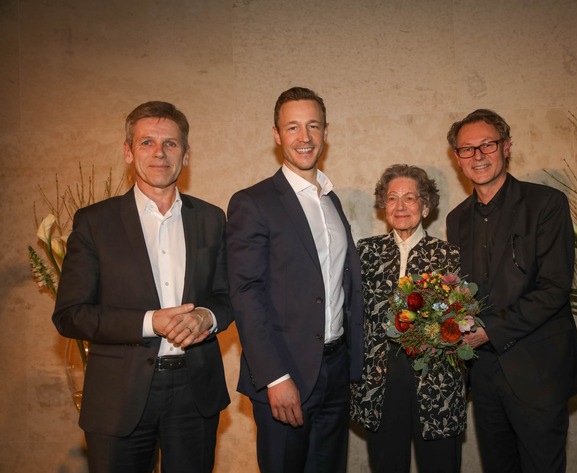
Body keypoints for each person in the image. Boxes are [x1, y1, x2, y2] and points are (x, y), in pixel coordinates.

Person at [52, 101, 232, 473]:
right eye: (147, 142)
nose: (159, 153)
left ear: (186, 154)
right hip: (118, 395)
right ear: (128, 152)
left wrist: (207, 316)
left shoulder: (212, 218)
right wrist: (151, 322)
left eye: (170, 143)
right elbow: (70, 315)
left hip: (195, 392)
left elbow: (228, 295)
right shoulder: (94, 222)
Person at [226, 86, 364, 473]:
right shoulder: (253, 202)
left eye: (313, 126)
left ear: (325, 132)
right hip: (286, 373)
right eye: (292, 127)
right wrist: (275, 376)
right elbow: (246, 293)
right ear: (276, 134)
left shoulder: (331, 200)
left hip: (336, 371)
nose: (304, 137)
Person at [445, 109, 577, 473]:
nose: (478, 156)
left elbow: (554, 288)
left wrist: (489, 330)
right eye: (467, 149)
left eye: (487, 145)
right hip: (484, 374)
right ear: (458, 158)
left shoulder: (546, 204)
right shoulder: (456, 219)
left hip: (538, 369)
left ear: (506, 147)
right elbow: (463, 294)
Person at [350, 164, 466, 473]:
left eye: (410, 198)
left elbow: (463, 319)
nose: (400, 206)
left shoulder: (449, 255)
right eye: (392, 198)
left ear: (425, 206)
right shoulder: (366, 252)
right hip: (380, 381)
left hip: (437, 382)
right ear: (383, 206)